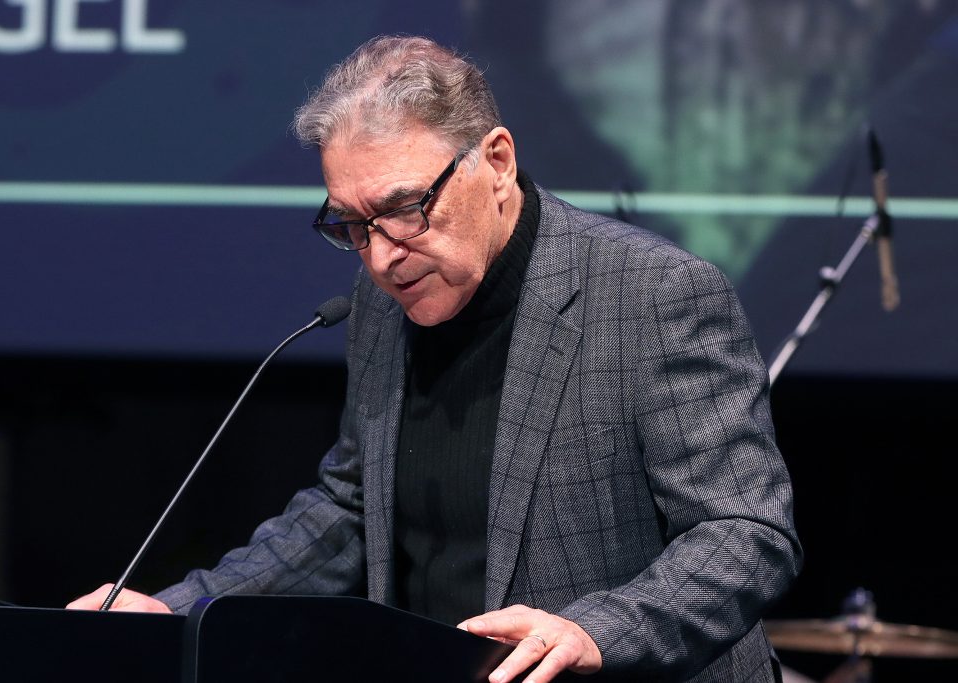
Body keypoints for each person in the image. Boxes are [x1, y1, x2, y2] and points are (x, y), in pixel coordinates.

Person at [68, 35, 802, 682]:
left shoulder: (655, 294)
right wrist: (183, 610)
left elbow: (745, 533)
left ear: (497, 161)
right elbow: (352, 510)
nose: (382, 256)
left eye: (405, 209)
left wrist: (594, 632)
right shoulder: (385, 304)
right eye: (352, 225)